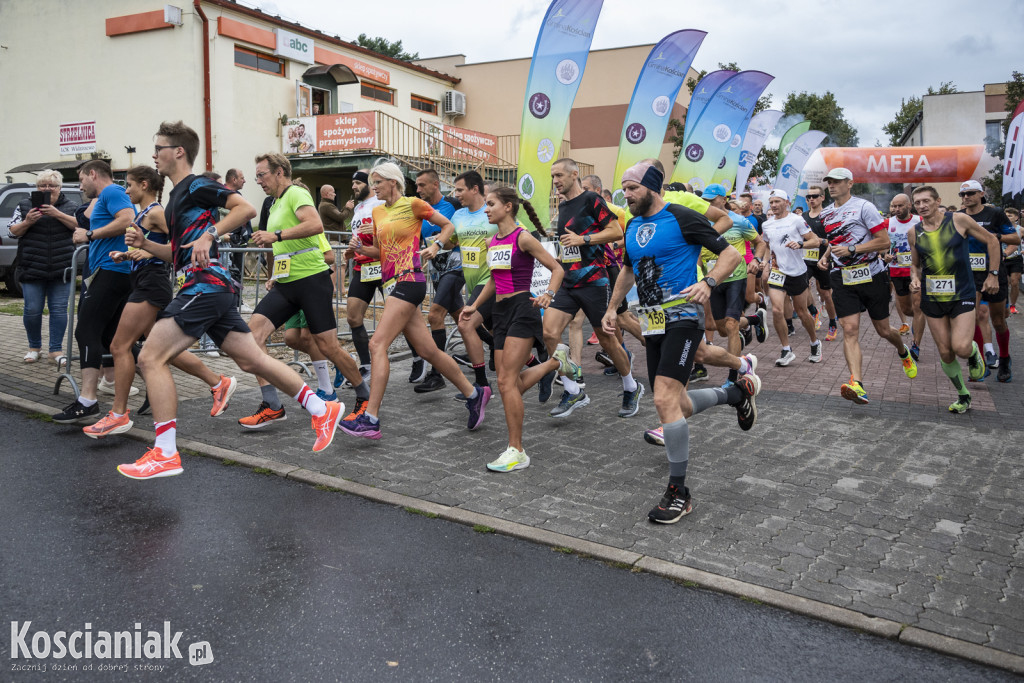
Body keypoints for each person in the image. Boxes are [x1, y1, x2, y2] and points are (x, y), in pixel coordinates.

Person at [117, 121, 343, 479]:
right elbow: (179, 255)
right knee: (253, 359)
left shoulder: (197, 184)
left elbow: (244, 209)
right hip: (209, 287)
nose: (153, 154)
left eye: (158, 147)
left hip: (204, 286)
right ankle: (320, 408)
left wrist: (209, 234)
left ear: (178, 151)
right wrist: (145, 246)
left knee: (150, 355)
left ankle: (165, 452)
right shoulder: (175, 197)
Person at [603, 161, 760, 524]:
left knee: (662, 399)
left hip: (684, 316)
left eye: (632, 188)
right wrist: (613, 307)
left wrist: (710, 282)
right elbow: (628, 269)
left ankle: (679, 492)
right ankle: (735, 394)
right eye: (624, 189)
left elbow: (731, 254)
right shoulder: (633, 226)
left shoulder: (681, 216)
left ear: (652, 189)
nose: (626, 195)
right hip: (652, 319)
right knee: (681, 405)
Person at [339, 161, 491, 439]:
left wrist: (434, 245)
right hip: (391, 282)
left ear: (393, 183)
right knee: (428, 351)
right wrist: (359, 249)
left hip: (410, 280)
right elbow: (382, 251)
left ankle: (371, 418)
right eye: (372, 182)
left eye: (378, 182)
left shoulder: (413, 205)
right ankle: (474, 394)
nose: (374, 187)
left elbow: (446, 226)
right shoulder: (376, 211)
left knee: (377, 343)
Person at [84, 166, 236, 439]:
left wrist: (151, 251)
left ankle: (119, 414)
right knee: (163, 349)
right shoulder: (143, 213)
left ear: (144, 185)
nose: (126, 190)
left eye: (129, 185)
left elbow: (178, 245)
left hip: (152, 284)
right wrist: (129, 255)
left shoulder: (155, 211)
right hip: (142, 281)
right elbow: (153, 246)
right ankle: (218, 382)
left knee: (119, 345)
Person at [239, 153, 369, 430]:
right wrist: (274, 266)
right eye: (257, 176)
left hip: (311, 280)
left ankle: (364, 396)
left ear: (279, 172)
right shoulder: (274, 203)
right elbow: (284, 244)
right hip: (287, 283)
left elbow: (315, 225)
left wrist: (275, 236)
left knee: (329, 347)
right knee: (252, 338)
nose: (258, 180)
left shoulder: (296, 193)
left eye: (262, 175)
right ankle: (272, 405)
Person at [460, 186, 575, 472]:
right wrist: (475, 306)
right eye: (486, 204)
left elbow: (558, 268)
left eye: (491, 204)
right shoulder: (493, 240)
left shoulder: (522, 237)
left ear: (508, 207)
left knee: (506, 382)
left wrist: (549, 293)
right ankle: (554, 363)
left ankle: (517, 450)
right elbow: (493, 280)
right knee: (505, 383)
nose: (486, 209)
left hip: (523, 309)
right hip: (499, 311)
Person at [543, 158, 643, 419]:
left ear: (574, 174)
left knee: (608, 341)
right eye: (553, 176)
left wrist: (584, 239)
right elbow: (569, 246)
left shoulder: (591, 200)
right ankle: (573, 389)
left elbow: (615, 233)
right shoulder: (563, 206)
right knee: (549, 333)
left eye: (559, 176)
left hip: (594, 280)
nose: (555, 181)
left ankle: (631, 387)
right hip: (569, 280)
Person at [819, 167, 917, 404]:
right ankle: (858, 384)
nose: (832, 185)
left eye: (837, 181)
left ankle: (903, 352)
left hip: (872, 276)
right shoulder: (826, 213)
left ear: (850, 183)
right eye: (829, 182)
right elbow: (837, 239)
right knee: (849, 330)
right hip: (842, 277)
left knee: (884, 331)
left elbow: (883, 241)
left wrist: (854, 249)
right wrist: (827, 254)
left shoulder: (864, 207)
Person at [51, 160, 135, 423]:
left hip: (111, 272)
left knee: (86, 330)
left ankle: (88, 400)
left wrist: (90, 235)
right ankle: (149, 388)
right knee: (113, 337)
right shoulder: (104, 197)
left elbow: (128, 220)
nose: (80, 185)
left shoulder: (111, 191)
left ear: (93, 174)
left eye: (81, 179)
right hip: (113, 272)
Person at [908, 186, 1000, 412]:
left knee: (960, 347)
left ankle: (973, 352)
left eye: (926, 201)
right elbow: (915, 263)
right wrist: (914, 278)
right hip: (932, 298)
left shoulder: (958, 220)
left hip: (962, 294)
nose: (922, 206)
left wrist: (993, 274)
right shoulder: (914, 231)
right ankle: (963, 395)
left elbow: (992, 241)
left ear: (937, 200)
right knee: (946, 352)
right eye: (917, 202)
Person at [6, 169, 78, 364]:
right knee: (32, 309)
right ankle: (34, 347)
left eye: (51, 185)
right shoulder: (24, 205)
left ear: (59, 187)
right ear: (37, 188)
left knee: (59, 310)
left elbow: (80, 228)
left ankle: (55, 351)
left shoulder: (71, 206)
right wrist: (28, 221)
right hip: (32, 266)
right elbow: (13, 232)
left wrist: (57, 214)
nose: (47, 189)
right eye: (42, 186)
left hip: (61, 267)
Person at [699, 184, 767, 381]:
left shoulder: (738, 221)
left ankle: (733, 376)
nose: (709, 203)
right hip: (712, 280)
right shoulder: (700, 222)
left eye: (712, 199)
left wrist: (756, 260)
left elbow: (760, 243)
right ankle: (755, 319)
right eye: (706, 200)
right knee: (719, 328)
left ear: (724, 199)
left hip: (736, 277)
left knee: (731, 326)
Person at [957, 180, 1018, 382]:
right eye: (963, 194)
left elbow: (1015, 239)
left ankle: (1004, 358)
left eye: (971, 193)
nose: (966, 197)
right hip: (969, 275)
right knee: (974, 317)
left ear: (981, 193)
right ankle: (980, 363)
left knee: (998, 321)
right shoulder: (959, 217)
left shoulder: (995, 213)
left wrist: (996, 237)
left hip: (993, 272)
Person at [581, 174, 645, 365]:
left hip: (610, 268)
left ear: (597, 191)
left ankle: (652, 343)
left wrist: (616, 246)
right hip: (587, 272)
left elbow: (629, 234)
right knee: (609, 319)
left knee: (622, 318)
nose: (581, 193)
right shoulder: (580, 209)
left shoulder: (614, 210)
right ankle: (622, 356)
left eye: (585, 189)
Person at [449, 170, 502, 395]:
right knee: (498, 335)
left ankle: (481, 385)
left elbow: (519, 235)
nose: (456, 194)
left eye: (460, 189)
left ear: (475, 189)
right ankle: (542, 366)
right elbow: (450, 239)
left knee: (465, 324)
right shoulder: (458, 216)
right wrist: (434, 244)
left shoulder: (492, 213)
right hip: (471, 283)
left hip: (493, 282)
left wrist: (498, 240)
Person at [414, 168, 465, 392]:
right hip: (436, 269)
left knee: (435, 314)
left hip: (456, 266)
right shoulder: (421, 209)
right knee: (462, 319)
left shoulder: (453, 205)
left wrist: (449, 241)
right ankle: (494, 347)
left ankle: (437, 374)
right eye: (416, 186)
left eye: (422, 185)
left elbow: (467, 230)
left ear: (435, 184)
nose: (418, 190)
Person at [760, 189, 822, 365]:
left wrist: (801, 243)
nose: (773, 205)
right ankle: (786, 349)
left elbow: (815, 241)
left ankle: (814, 342)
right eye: (771, 202)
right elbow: (766, 246)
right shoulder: (767, 225)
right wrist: (765, 262)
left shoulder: (796, 220)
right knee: (778, 310)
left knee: (802, 312)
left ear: (787, 202)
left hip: (797, 272)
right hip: (778, 272)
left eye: (777, 201)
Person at [342, 169, 385, 388]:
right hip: (363, 267)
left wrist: (377, 229)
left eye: (358, 183)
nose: (354, 187)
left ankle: (418, 359)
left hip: (384, 265)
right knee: (353, 317)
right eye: (353, 183)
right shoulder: (358, 208)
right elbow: (357, 237)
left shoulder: (381, 202)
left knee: (403, 318)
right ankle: (366, 366)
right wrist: (351, 249)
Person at [883, 194, 925, 359]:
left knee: (918, 306)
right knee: (908, 309)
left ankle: (916, 345)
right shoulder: (887, 223)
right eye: (894, 206)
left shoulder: (920, 220)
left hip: (917, 271)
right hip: (896, 270)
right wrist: (884, 254)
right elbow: (881, 243)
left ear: (909, 205)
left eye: (900, 206)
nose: (896, 210)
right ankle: (918, 321)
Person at [802, 185, 838, 340]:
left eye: (815, 196)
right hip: (806, 260)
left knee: (826, 294)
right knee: (801, 289)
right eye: (809, 197)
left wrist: (822, 241)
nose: (811, 199)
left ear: (823, 197)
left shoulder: (829, 216)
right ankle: (814, 312)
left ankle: (832, 323)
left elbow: (836, 240)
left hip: (823, 260)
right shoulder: (802, 216)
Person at [1004, 207, 1022, 313]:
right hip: (1004, 258)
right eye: (1006, 216)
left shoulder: (1021, 229)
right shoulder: (999, 228)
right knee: (1005, 283)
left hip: (1016, 258)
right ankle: (1005, 304)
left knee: (1015, 282)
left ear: (1016, 217)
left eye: (1010, 216)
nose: (1007, 218)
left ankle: (1013, 305)